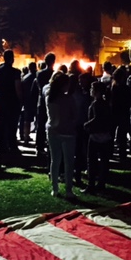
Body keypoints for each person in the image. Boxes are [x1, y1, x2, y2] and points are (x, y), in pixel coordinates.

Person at [45, 70, 78, 198]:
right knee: (69, 162)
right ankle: (69, 190)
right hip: (68, 131)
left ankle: (55, 188)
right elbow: (74, 115)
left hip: (53, 130)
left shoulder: (49, 97)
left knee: (55, 160)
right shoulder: (68, 99)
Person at [82, 81, 113, 194]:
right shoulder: (105, 103)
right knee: (104, 161)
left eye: (92, 88)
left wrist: (87, 124)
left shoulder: (96, 104)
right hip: (105, 135)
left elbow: (97, 118)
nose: (90, 90)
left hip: (95, 135)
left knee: (92, 160)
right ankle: (101, 183)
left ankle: (91, 184)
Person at [0, 49, 22, 153]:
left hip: (1, 101)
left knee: (2, 124)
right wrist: (20, 100)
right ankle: (12, 145)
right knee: (12, 125)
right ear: (11, 59)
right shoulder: (16, 72)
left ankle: (1, 145)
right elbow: (17, 87)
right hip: (12, 102)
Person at [32, 53, 55, 156]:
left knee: (40, 125)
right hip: (51, 102)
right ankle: (49, 145)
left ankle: (39, 146)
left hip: (41, 101)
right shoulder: (53, 74)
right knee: (50, 124)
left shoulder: (39, 74)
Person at [20, 61, 38, 145]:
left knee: (27, 121)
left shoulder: (25, 77)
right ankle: (39, 139)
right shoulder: (38, 76)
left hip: (27, 102)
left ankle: (26, 138)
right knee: (38, 121)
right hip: (36, 101)